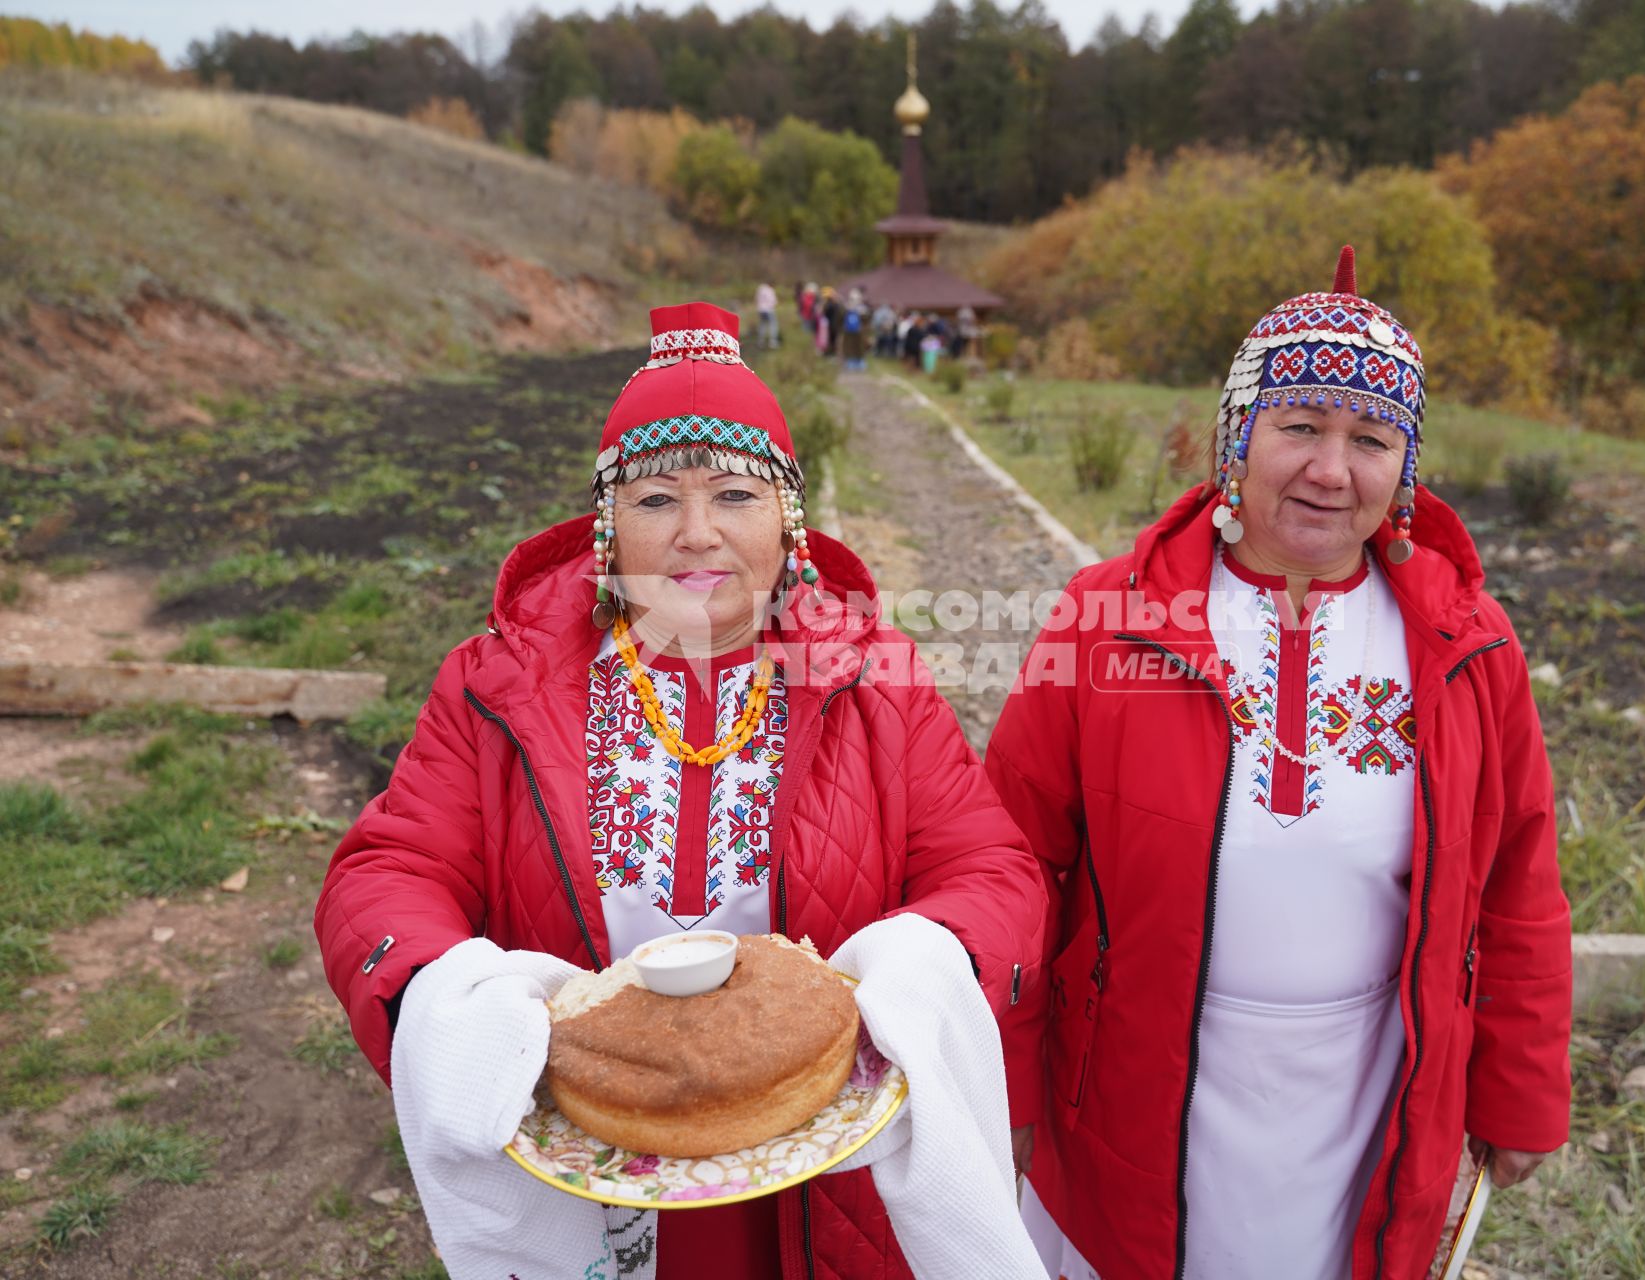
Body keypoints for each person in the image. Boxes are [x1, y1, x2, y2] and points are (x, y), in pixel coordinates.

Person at [317, 302, 1047, 1279]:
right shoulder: (499, 683)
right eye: (656, 498)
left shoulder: (876, 678)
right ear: (607, 526)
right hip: (588, 1145)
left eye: (736, 495)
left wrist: (924, 961)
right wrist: (442, 993)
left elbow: (988, 868)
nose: (697, 535)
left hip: (822, 1165)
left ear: (788, 522)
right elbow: (392, 868)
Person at [988, 247, 1571, 1280]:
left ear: (1407, 466)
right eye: (1300, 425)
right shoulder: (1109, 618)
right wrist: (1009, 1083)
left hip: (1366, 1093)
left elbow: (1519, 883)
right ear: (1237, 436)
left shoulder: (1470, 645)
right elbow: (1014, 863)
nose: (1331, 469)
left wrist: (1521, 1088)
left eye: (1370, 437)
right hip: (1134, 1079)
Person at [755, 281, 779, 350]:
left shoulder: (760, 289)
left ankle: (760, 341)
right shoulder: (770, 290)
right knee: (773, 325)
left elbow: (756, 299)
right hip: (769, 310)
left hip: (761, 310)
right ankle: (773, 342)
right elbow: (773, 301)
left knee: (762, 325)